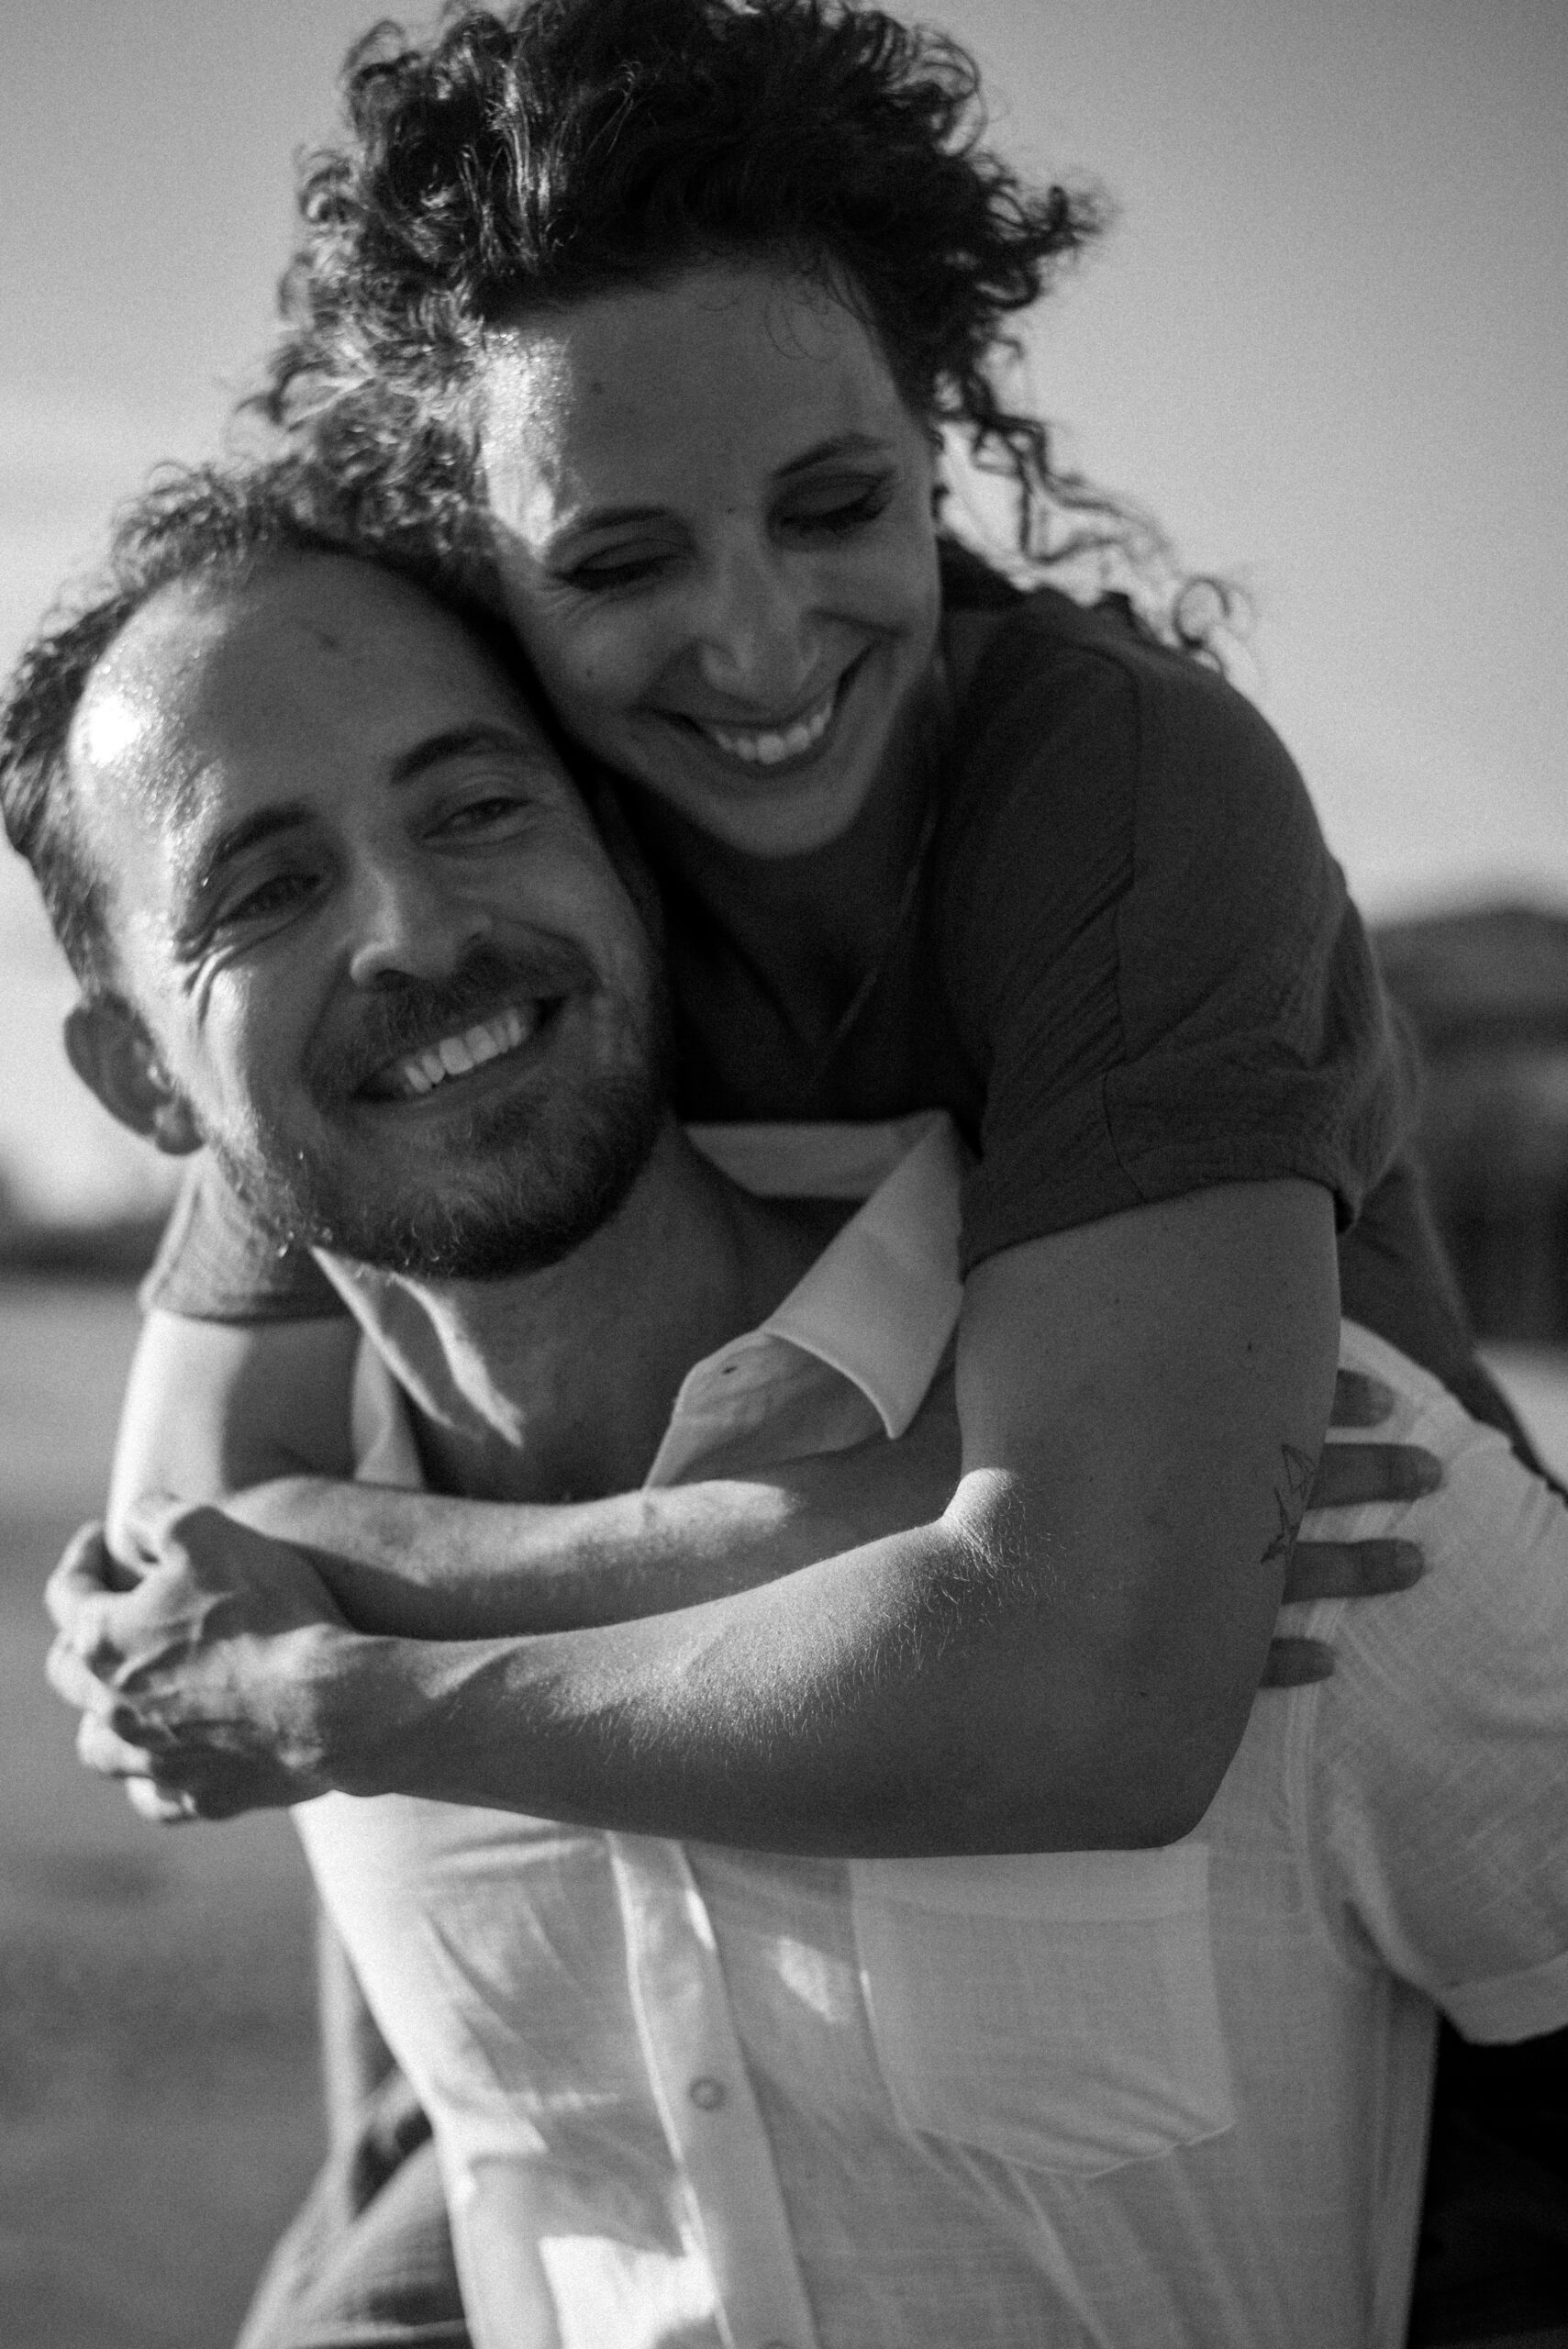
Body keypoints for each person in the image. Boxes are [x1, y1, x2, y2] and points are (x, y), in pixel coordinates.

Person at [65, 2, 1568, 2333]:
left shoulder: (1123, 800)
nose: (758, 638)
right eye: (622, 557)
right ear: (486, 571)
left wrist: (366, 1611)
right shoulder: (450, 908)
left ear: (939, 447)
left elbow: (1100, 1648)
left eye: (840, 505)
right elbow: (189, 1547)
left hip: (1422, 1896)